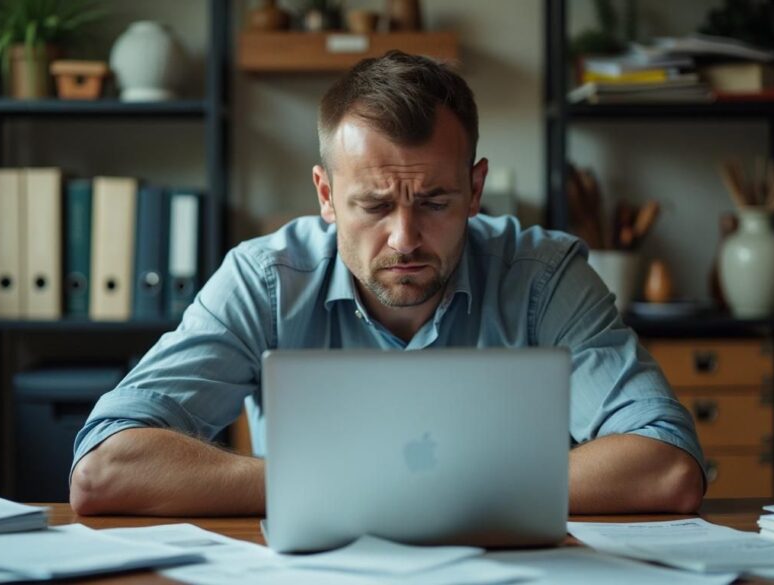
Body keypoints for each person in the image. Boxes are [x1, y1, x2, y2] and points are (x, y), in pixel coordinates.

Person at [70, 51, 704, 517]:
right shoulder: (265, 279)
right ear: (325, 194)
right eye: (373, 206)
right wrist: (358, 483)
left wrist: (369, 486)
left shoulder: (541, 275)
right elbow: (104, 469)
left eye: (434, 201)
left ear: (476, 189)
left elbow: (667, 465)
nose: (404, 238)